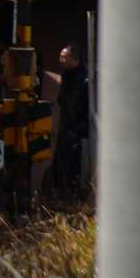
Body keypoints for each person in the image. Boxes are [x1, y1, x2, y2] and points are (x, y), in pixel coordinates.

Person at [51, 42, 90, 194]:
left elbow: (86, 110)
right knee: (59, 172)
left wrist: (78, 131)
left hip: (79, 135)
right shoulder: (66, 79)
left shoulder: (84, 82)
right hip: (65, 132)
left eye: (65, 57)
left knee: (74, 171)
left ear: (76, 60)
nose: (61, 60)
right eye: (60, 57)